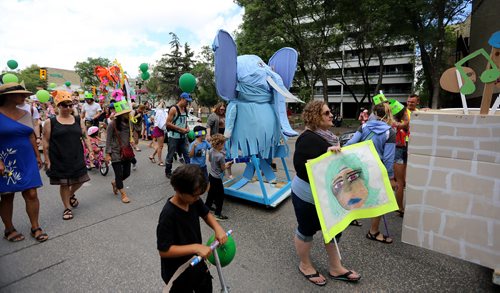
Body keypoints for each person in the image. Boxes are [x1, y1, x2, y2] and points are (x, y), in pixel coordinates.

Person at [292, 100, 360, 286]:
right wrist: (326, 158)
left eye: (330, 112)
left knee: (335, 229)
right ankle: (305, 265)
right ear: (315, 116)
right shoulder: (307, 138)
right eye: (326, 113)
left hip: (329, 195)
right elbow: (301, 167)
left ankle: (335, 267)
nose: (331, 115)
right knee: (307, 230)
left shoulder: (328, 136)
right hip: (308, 197)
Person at [157, 164, 227, 291]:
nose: (197, 198)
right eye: (195, 195)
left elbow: (206, 214)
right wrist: (195, 247)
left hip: (196, 262)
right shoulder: (168, 215)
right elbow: (164, 250)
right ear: (179, 190)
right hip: (178, 272)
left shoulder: (193, 200)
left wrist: (218, 228)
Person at [0, 82, 48, 242]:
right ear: (7, 96)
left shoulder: (27, 113)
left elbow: (30, 136)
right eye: (21, 94)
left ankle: (35, 226)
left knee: (32, 193)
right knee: (7, 195)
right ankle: (9, 228)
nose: (24, 97)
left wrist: (37, 155)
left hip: (26, 157)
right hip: (5, 160)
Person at [345, 102, 396, 244]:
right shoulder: (389, 132)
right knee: (380, 199)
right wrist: (390, 177)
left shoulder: (364, 126)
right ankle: (373, 232)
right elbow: (388, 158)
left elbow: (351, 143)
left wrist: (341, 151)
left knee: (356, 192)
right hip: (376, 169)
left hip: (360, 165)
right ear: (388, 114)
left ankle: (352, 218)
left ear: (374, 113)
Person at [43, 91, 93, 221]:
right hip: (59, 157)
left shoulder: (78, 120)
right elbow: (46, 142)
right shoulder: (50, 122)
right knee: (64, 183)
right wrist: (47, 160)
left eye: (70, 105)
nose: (68, 108)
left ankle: (70, 195)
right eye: (64, 105)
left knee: (82, 179)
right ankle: (67, 208)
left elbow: (85, 136)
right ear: (58, 106)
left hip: (76, 156)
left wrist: (91, 151)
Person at [105, 101, 134, 204]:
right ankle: (123, 194)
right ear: (120, 114)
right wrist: (107, 154)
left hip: (126, 151)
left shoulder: (129, 123)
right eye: (126, 112)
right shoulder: (112, 124)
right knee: (118, 174)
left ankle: (115, 183)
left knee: (127, 173)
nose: (128, 114)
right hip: (115, 152)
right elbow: (108, 140)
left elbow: (130, 135)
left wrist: (132, 140)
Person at [204, 134, 233, 221]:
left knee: (211, 193)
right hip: (217, 178)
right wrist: (228, 164)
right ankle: (218, 214)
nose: (224, 146)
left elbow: (209, 160)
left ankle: (207, 207)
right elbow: (223, 168)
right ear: (219, 144)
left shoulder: (211, 150)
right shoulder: (220, 156)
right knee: (220, 196)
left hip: (211, 175)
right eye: (223, 144)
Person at [164, 93, 191, 179]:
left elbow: (185, 121)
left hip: (183, 137)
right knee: (171, 154)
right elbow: (167, 123)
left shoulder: (185, 109)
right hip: (173, 137)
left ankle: (189, 171)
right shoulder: (173, 109)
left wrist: (187, 127)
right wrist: (180, 129)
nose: (188, 103)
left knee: (187, 154)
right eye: (187, 101)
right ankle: (168, 171)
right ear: (182, 99)